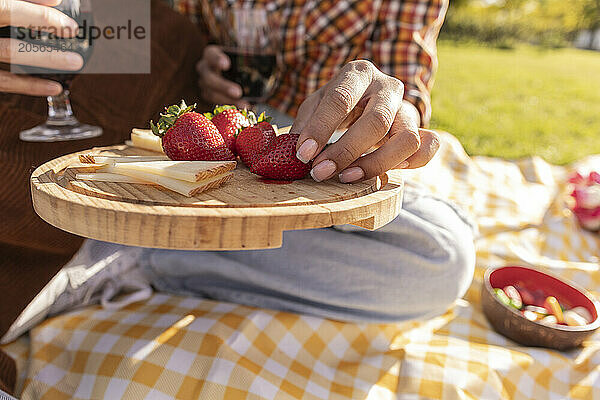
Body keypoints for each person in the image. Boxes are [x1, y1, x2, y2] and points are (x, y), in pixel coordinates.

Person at [0, 0, 475, 395]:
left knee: (439, 256)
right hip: (54, 234)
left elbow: (400, 85)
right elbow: (111, 31)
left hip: (249, 154)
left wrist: (391, 109)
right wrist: (196, 59)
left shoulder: (126, 28)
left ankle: (166, 246)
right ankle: (150, 249)